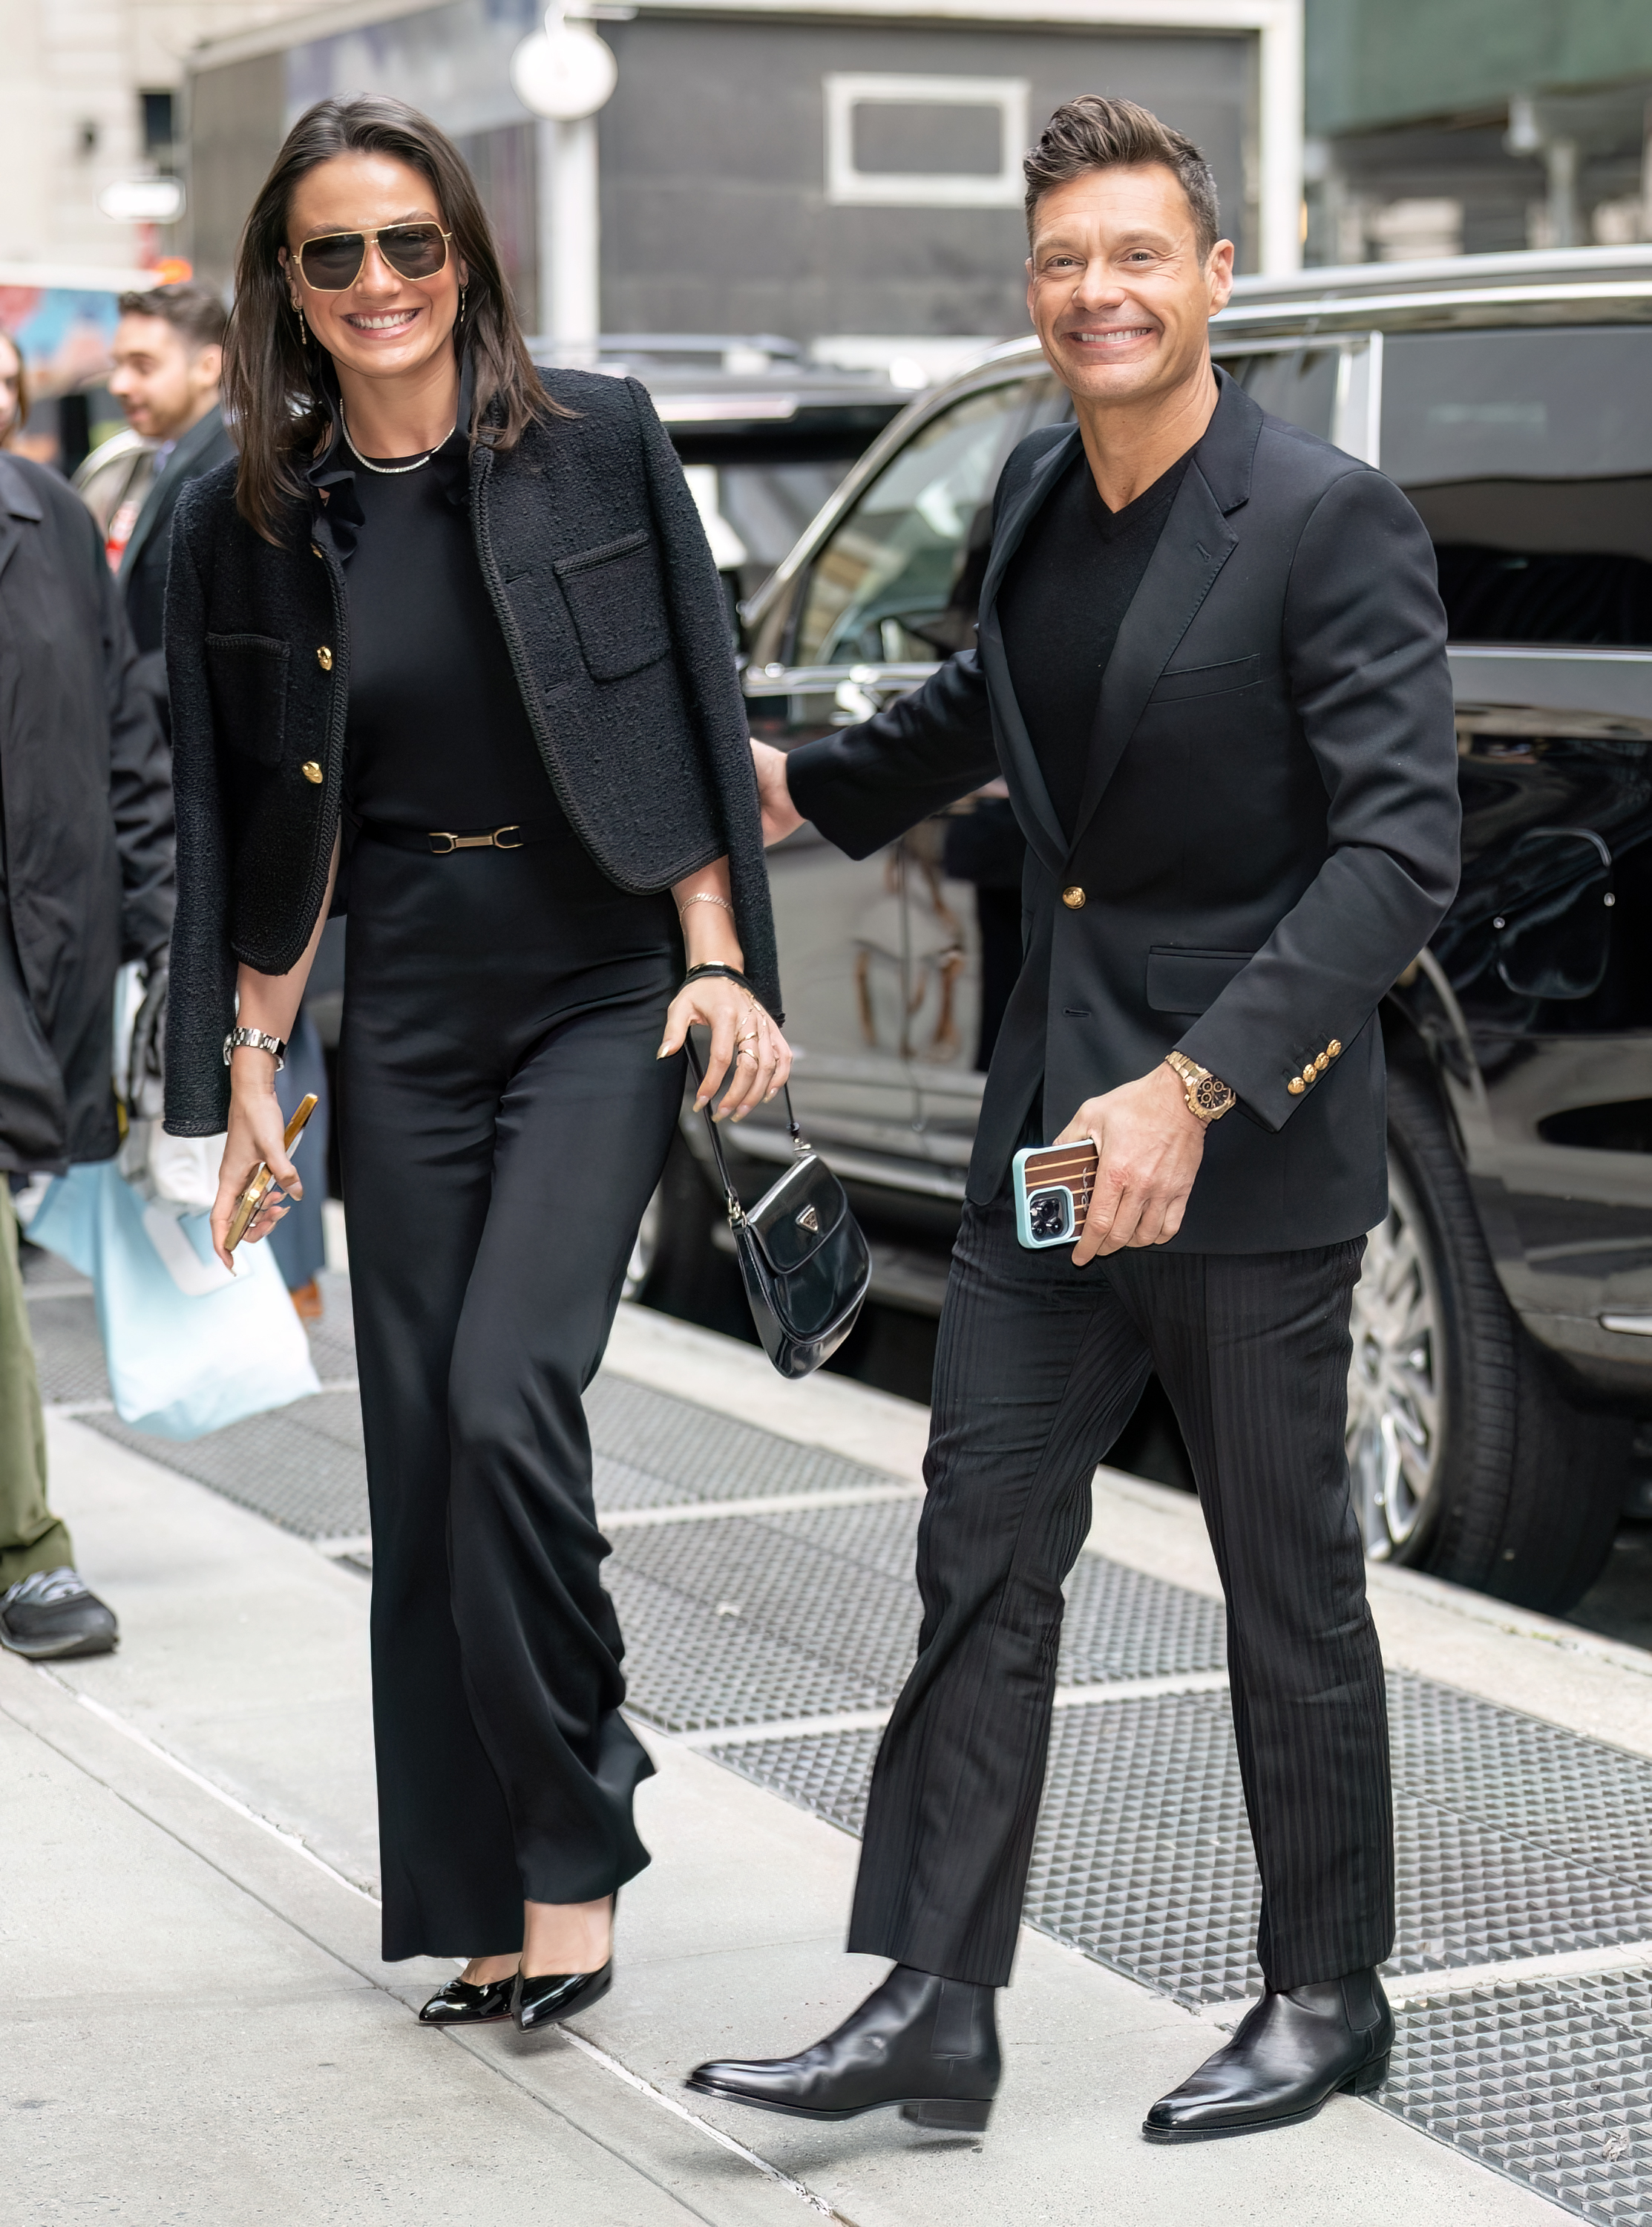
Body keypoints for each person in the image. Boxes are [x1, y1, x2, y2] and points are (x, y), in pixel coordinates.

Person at [689, 96, 1460, 2143]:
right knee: (980, 1549)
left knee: (1287, 1584)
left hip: (1241, 1140)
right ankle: (935, 1996)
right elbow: (989, 709)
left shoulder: (1323, 519)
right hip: (1047, 1130)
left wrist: (1201, 1082)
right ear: (1029, 293)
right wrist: (792, 788)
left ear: (1215, 280)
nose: (1095, 293)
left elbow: (1396, 859)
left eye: (1135, 256)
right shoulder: (1033, 486)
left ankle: (1325, 1990)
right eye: (1060, 263)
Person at [161, 95, 788, 2030]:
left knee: (516, 1398)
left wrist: (721, 962)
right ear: (287, 276)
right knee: (421, 1451)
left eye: (411, 246)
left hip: (603, 987)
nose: (378, 286)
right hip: (407, 1005)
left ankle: (575, 1832)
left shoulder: (593, 440)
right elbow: (244, 818)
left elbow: (684, 703)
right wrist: (246, 1071)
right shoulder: (240, 511)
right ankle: (477, 1891)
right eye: (335, 253)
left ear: (467, 257)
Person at [0, 415, 174, 1661]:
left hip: (43, 949)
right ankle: (26, 1546)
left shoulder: (48, 518)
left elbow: (126, 737)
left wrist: (169, 934)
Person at [104, 282, 233, 690]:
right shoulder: (155, 458)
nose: (119, 385)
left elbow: (230, 638)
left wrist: (117, 691)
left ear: (208, 367)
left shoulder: (232, 470)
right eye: (118, 364)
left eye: (143, 366)